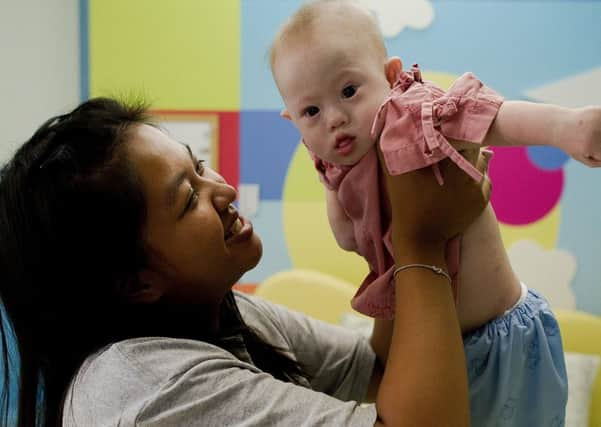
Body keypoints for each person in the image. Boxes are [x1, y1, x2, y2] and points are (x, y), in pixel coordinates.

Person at [0, 97, 491, 426]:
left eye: (197, 166)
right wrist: (421, 241)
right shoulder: (146, 386)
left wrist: (381, 228)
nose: (226, 189)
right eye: (188, 197)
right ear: (136, 283)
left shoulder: (228, 311)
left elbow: (377, 367)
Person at [269, 0, 600, 425]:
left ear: (390, 77)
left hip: (501, 337)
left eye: (349, 91)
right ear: (291, 119)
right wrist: (331, 185)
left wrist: (562, 129)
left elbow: (485, 117)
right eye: (311, 112)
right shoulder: (338, 168)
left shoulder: (410, 115)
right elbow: (349, 238)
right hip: (435, 351)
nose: (334, 119)